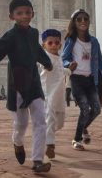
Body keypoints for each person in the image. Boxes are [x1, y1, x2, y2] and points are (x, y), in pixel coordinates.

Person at [0, 0, 52, 173]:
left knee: (40, 120)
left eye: (27, 13)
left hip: (34, 83)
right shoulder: (11, 36)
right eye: (20, 13)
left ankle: (37, 160)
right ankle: (17, 142)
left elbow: (37, 50)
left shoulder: (33, 33)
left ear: (33, 14)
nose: (24, 16)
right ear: (11, 16)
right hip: (18, 85)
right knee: (21, 123)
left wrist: (47, 62)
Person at [62, 9, 102, 151]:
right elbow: (64, 58)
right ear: (74, 22)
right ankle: (76, 139)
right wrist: (68, 64)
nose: (83, 22)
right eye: (79, 19)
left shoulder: (93, 41)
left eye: (85, 19)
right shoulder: (71, 40)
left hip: (90, 80)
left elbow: (99, 61)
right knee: (84, 109)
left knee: (96, 109)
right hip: (76, 79)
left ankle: (83, 128)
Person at [39, 29, 71, 160]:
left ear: (60, 45)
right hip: (48, 94)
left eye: (56, 43)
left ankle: (46, 133)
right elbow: (43, 66)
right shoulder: (43, 58)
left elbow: (60, 69)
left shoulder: (59, 57)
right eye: (50, 43)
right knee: (51, 119)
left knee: (60, 123)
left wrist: (69, 70)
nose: (53, 45)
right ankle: (50, 145)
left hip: (59, 96)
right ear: (44, 45)